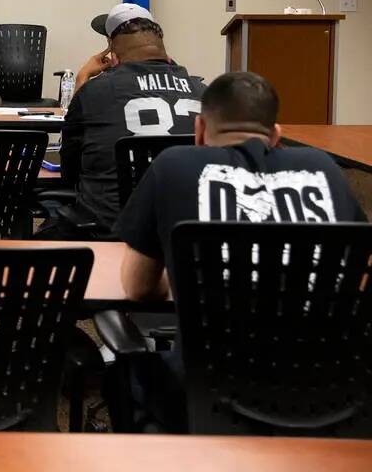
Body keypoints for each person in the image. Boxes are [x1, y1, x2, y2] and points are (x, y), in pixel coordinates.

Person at [113, 71, 366, 431]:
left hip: (207, 398)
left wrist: (186, 273)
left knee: (133, 373)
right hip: (329, 395)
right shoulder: (326, 169)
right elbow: (354, 273)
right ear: (276, 135)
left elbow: (137, 287)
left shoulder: (172, 165)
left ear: (199, 129)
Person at [56, 3, 205, 237]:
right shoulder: (203, 92)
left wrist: (83, 77)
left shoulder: (94, 92)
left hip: (111, 230)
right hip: (185, 232)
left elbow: (70, 172)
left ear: (113, 58)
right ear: (166, 55)